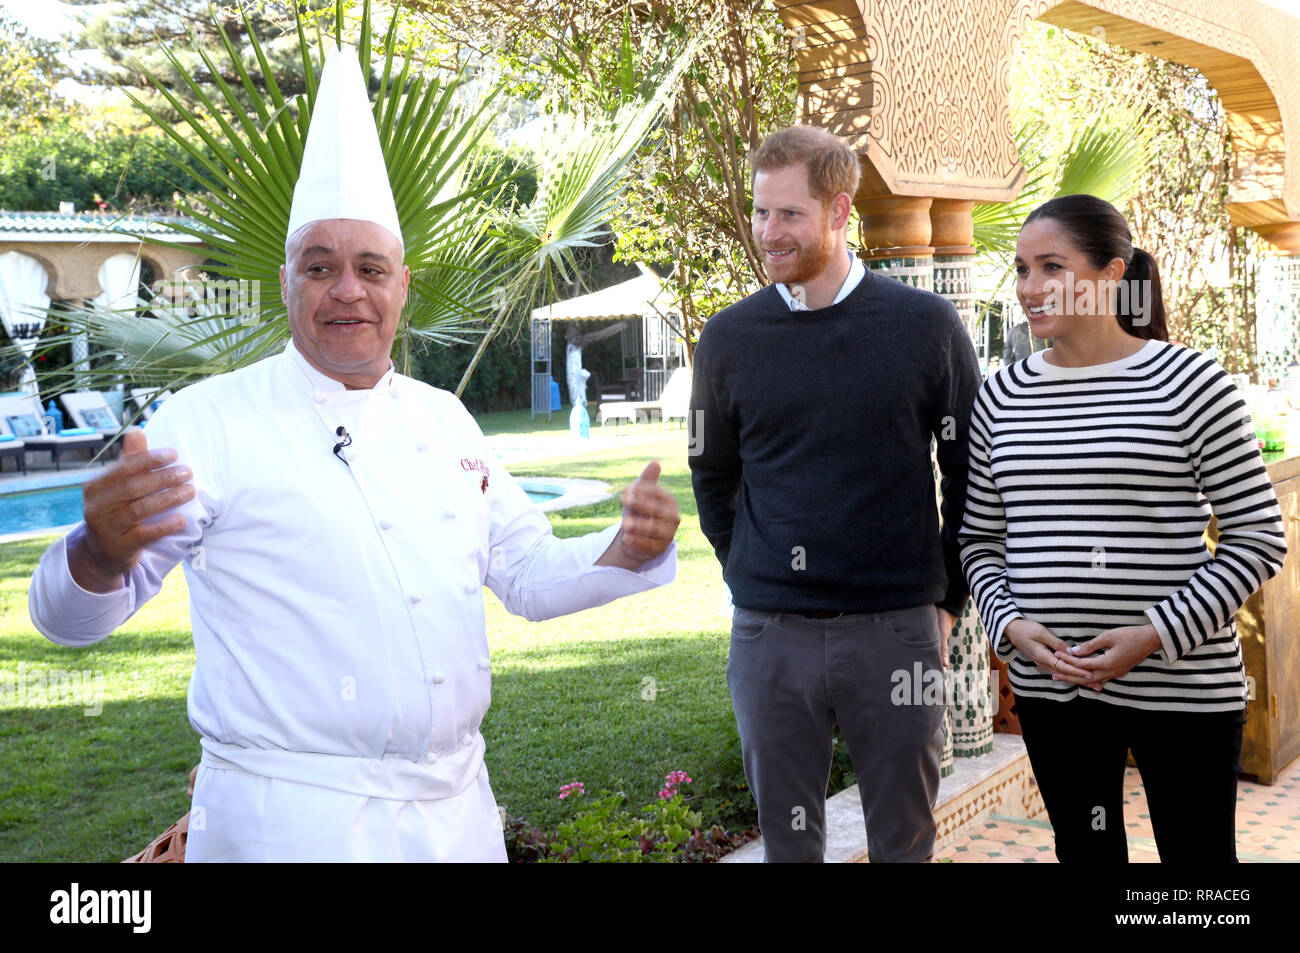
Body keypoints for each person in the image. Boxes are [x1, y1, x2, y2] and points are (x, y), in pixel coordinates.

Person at [27, 47, 681, 863]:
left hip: (458, 818)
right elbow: (67, 619)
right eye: (321, 267)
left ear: (401, 284)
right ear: (287, 282)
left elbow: (527, 573)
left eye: (369, 268)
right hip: (289, 825)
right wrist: (96, 551)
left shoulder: (446, 421)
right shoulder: (209, 422)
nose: (347, 290)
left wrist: (627, 549)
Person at [959, 193, 1286, 863]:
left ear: (1112, 274)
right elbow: (980, 541)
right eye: (1021, 269)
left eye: (1052, 266)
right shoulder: (1000, 395)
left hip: (1185, 688)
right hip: (1055, 689)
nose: (1030, 288)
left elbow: (1258, 537)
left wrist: (1154, 635)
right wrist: (1010, 625)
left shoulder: (1192, 382)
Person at [688, 125, 982, 862]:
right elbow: (711, 475)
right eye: (760, 212)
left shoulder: (926, 326)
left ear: (839, 210)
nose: (768, 232)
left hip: (897, 630)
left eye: (788, 214)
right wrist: (751, 572)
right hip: (769, 636)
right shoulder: (725, 339)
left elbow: (971, 466)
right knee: (787, 847)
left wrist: (944, 601)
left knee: (904, 839)